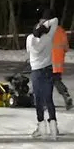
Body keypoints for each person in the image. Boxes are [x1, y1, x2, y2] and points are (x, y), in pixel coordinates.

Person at [26, 9, 60, 138]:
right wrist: (46, 24)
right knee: (49, 99)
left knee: (38, 100)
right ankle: (54, 127)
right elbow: (55, 21)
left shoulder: (30, 39)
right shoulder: (49, 37)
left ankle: (41, 126)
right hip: (47, 69)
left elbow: (30, 51)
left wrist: (41, 25)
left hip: (36, 71)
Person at [51, 19, 73, 110]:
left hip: (48, 60)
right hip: (59, 61)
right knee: (56, 80)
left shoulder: (47, 31)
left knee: (45, 81)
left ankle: (44, 101)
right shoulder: (61, 30)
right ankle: (65, 94)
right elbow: (66, 48)